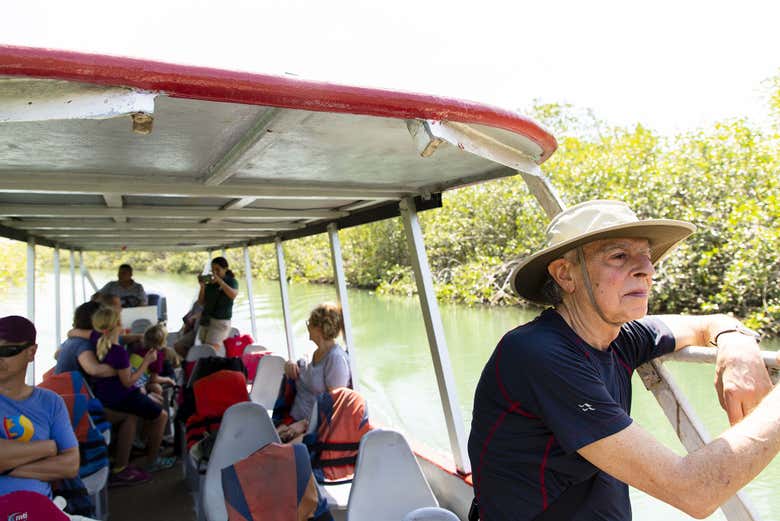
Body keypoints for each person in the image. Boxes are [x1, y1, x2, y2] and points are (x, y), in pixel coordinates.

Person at [468, 200, 780, 520]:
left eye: (646, 256)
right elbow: (694, 491)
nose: (647, 269)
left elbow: (705, 324)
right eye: (619, 256)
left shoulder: (620, 337)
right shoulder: (537, 353)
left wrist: (735, 340)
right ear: (565, 274)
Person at [0, 316, 79, 498]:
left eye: (7, 350)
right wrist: (48, 448)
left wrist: (7, 467)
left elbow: (70, 465)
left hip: (39, 509)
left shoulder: (51, 402)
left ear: (31, 352)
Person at [89, 307, 175, 473]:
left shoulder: (96, 342)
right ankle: (153, 460)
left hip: (104, 395)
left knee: (147, 406)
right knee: (161, 416)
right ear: (118, 326)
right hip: (122, 396)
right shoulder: (119, 352)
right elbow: (128, 382)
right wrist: (146, 362)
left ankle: (143, 443)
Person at [278, 303, 351, 443]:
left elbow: (335, 407)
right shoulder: (317, 353)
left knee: (270, 452)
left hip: (313, 429)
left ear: (318, 328)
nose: (307, 326)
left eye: (309, 323)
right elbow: (306, 374)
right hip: (292, 419)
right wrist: (290, 364)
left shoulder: (336, 359)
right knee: (261, 442)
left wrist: (304, 425)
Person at [197, 257, 238, 354]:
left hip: (220, 322)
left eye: (218, 270)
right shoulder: (210, 284)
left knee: (209, 351)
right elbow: (201, 302)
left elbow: (233, 295)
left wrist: (219, 281)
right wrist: (202, 287)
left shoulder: (231, 281)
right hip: (206, 320)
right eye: (213, 270)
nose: (215, 273)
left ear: (225, 269)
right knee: (204, 349)